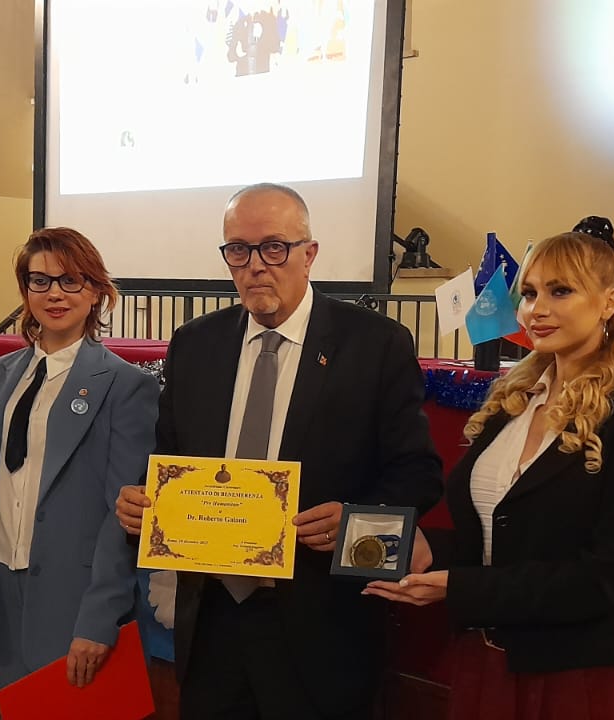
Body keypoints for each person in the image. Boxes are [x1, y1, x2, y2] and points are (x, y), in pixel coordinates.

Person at [115, 183, 444, 719]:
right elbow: (170, 459)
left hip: (321, 629)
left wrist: (355, 521)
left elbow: (418, 473)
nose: (254, 266)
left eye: (273, 248)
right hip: (213, 623)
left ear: (309, 254)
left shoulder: (374, 343)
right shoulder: (195, 345)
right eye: (237, 250)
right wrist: (142, 505)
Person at [364, 231, 614, 720]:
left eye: (561, 291)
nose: (537, 309)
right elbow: (503, 536)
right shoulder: (511, 402)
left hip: (575, 673)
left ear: (610, 302)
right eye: (530, 293)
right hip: (485, 661)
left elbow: (607, 578)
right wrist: (427, 548)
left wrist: (462, 589)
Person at [0, 227, 158, 694]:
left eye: (70, 280)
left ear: (96, 290)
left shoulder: (125, 386)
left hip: (72, 600)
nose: (54, 294)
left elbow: (120, 517)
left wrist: (100, 617)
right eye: (40, 281)